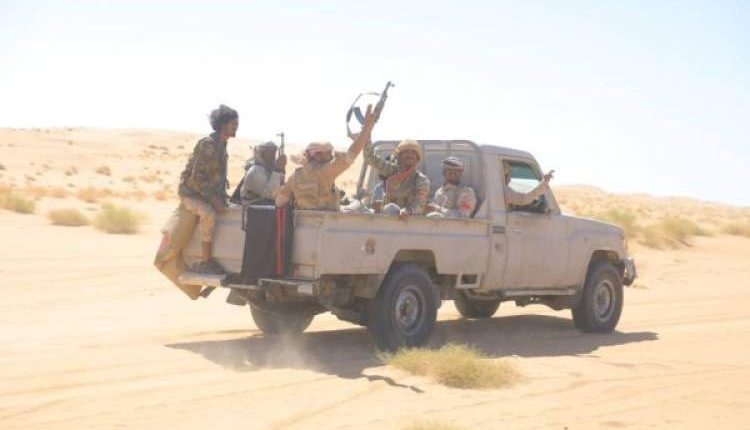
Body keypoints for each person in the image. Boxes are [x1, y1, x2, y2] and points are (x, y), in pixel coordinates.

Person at [275, 105, 377, 210]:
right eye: (328, 154)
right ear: (319, 155)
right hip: (329, 218)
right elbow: (351, 155)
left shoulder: (295, 176)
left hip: (302, 218)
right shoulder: (326, 171)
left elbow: (279, 202)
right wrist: (367, 129)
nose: (330, 157)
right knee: (358, 205)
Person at [178, 104, 238, 274]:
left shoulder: (221, 145)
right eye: (233, 123)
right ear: (223, 125)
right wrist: (213, 200)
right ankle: (206, 261)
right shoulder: (209, 145)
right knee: (208, 213)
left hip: (206, 194)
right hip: (191, 193)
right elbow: (197, 178)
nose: (236, 126)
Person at [363, 139, 430, 219]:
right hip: (387, 218)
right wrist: (367, 136)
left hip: (410, 221)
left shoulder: (421, 180)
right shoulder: (391, 170)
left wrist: (408, 211)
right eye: (406, 152)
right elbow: (370, 158)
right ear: (399, 156)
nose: (410, 155)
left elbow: (419, 205)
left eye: (413, 152)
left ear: (417, 158)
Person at [240, 141, 286, 205]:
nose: (272, 155)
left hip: (265, 205)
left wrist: (282, 171)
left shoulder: (269, 169)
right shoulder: (255, 171)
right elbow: (271, 195)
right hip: (254, 206)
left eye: (273, 152)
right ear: (261, 154)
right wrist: (277, 171)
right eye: (269, 153)